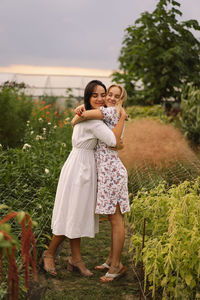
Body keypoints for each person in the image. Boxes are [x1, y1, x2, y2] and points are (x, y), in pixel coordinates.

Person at [39, 80, 126, 277]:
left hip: (79, 164)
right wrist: (122, 116)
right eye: (95, 95)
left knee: (75, 213)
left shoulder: (88, 114)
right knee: (72, 212)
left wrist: (81, 111)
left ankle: (75, 259)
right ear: (88, 97)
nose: (101, 98)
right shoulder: (94, 121)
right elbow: (113, 141)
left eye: (102, 94)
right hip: (81, 168)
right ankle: (49, 254)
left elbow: (80, 117)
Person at [72, 84, 130, 282]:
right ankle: (110, 260)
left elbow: (80, 118)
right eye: (109, 95)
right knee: (114, 217)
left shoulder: (110, 111)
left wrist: (80, 112)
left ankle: (116, 266)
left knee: (115, 220)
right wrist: (80, 109)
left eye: (116, 96)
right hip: (107, 171)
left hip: (111, 171)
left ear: (122, 99)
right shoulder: (110, 112)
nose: (112, 98)